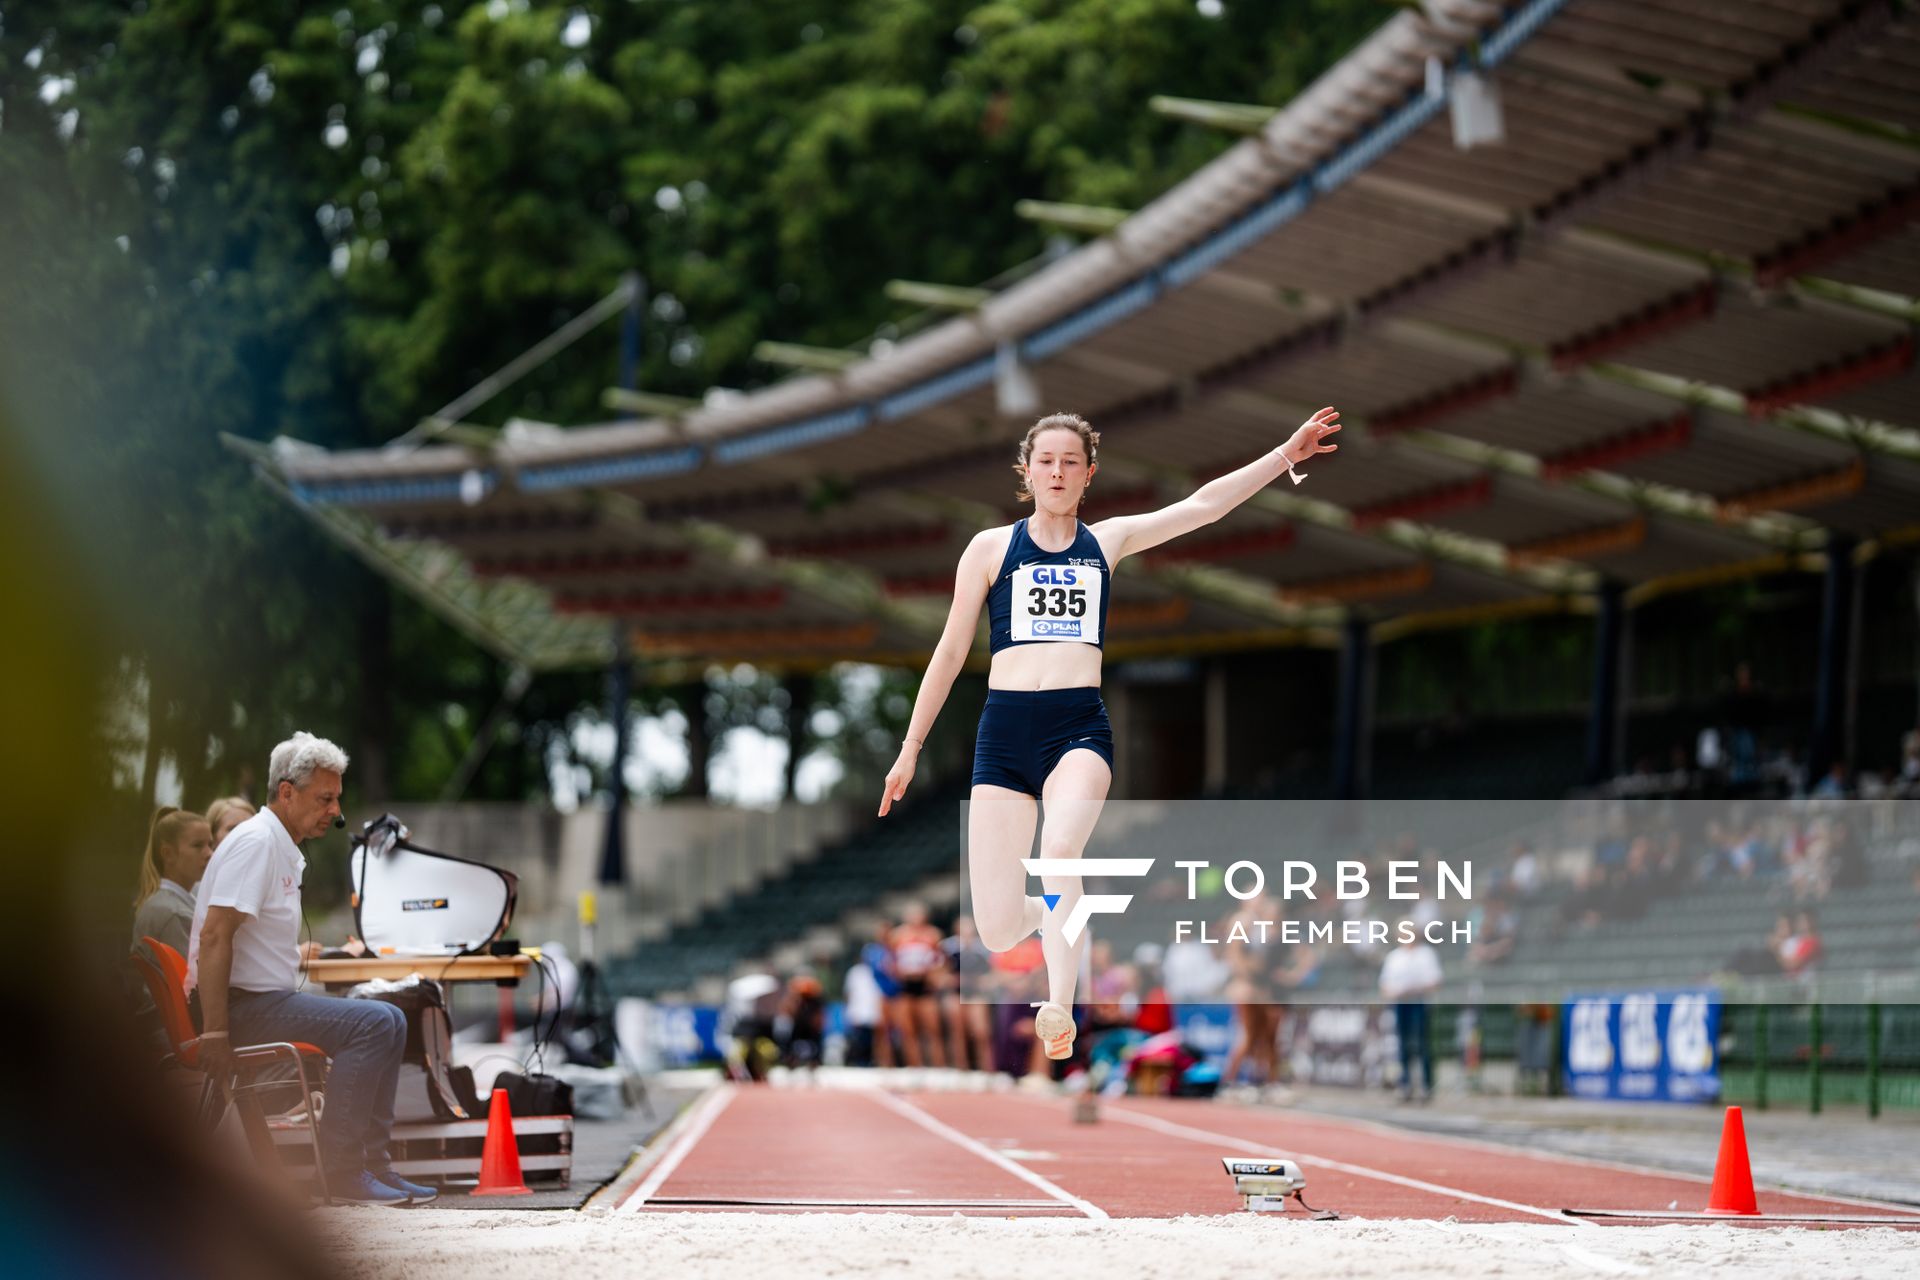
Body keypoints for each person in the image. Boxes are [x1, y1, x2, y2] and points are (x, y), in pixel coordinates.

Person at [877, 407, 1340, 1062]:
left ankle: (1060, 1006)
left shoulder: (1108, 541)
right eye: (1046, 461)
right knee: (1002, 928)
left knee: (1061, 849)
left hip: (1077, 729)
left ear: (1088, 474)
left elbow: (1204, 506)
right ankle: (1053, 916)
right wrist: (910, 749)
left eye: (1071, 462)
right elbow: (950, 654)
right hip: (1004, 732)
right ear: (1027, 472)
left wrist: (1285, 455)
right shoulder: (989, 549)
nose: (1058, 472)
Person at [186, 732, 433, 1206]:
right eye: (325, 799)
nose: (336, 813)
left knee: (394, 1017)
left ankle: (375, 1166)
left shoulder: (277, 844)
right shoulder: (257, 843)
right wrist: (215, 1033)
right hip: (239, 1009)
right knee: (375, 1022)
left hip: (259, 1001)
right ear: (286, 792)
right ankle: (343, 1173)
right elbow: (215, 935)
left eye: (337, 799)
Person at [132, 806, 214, 956]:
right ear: (168, 854)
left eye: (210, 844)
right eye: (198, 845)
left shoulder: (172, 903)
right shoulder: (174, 914)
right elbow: (194, 977)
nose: (210, 853)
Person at [1379, 924, 1441, 1102]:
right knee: (1402, 1045)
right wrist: (1396, 991)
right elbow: (1384, 985)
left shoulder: (1426, 954)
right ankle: (1405, 1084)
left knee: (1422, 1044)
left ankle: (1426, 1085)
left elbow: (1435, 980)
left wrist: (1416, 987)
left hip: (1419, 1002)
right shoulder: (1394, 957)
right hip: (1400, 1003)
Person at [889, 902, 947, 1067]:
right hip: (905, 985)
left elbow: (941, 960)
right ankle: (915, 1066)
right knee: (908, 1030)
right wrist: (899, 972)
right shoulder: (897, 935)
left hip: (925, 985)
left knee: (932, 1029)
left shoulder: (933, 934)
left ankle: (939, 1066)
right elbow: (891, 961)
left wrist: (932, 975)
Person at [941, 915, 995, 1071]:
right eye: (963, 928)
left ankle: (987, 1068)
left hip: (976, 993)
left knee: (981, 1032)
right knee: (957, 1031)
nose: (967, 931)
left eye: (970, 928)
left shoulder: (983, 947)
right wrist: (953, 979)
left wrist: (983, 981)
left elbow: (992, 974)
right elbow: (939, 974)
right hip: (956, 993)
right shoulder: (948, 947)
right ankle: (961, 1067)